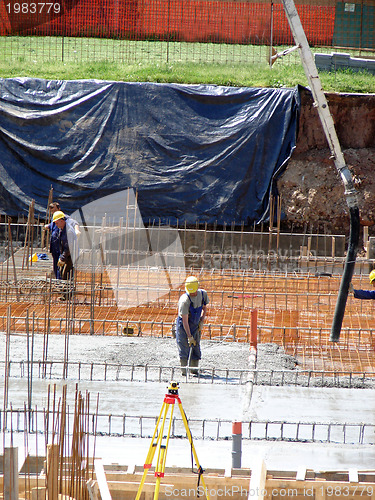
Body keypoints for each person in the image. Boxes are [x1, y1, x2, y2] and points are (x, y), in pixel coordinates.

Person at [175, 276, 209, 376]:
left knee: (196, 346)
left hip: (195, 324)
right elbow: (185, 321)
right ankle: (184, 371)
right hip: (183, 327)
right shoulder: (184, 301)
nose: (193, 294)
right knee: (184, 347)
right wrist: (189, 336)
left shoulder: (203, 294)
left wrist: (201, 321)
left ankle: (194, 370)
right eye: (191, 292)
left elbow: (204, 308)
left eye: (194, 292)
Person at [52, 210, 79, 282]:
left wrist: (63, 258)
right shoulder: (63, 229)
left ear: (61, 220)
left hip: (71, 256)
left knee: (66, 275)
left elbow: (69, 247)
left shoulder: (68, 231)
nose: (56, 224)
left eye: (57, 222)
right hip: (68, 255)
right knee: (63, 273)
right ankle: (66, 291)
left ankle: (67, 292)